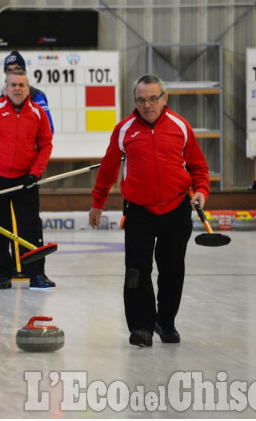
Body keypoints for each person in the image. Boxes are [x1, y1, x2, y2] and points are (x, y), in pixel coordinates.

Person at [88, 74, 210, 347]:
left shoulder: (181, 126)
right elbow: (108, 169)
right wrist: (98, 202)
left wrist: (201, 191)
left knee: (172, 270)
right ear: (135, 101)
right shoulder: (124, 130)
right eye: (141, 100)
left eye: (153, 98)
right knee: (136, 270)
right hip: (139, 211)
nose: (147, 105)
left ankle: (165, 322)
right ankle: (140, 327)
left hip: (176, 209)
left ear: (164, 98)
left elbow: (198, 168)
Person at [0, 70, 54, 290]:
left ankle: (36, 275)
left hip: (26, 180)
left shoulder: (38, 113)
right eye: (13, 85)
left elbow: (46, 146)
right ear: (6, 88)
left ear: (28, 88)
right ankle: (3, 274)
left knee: (29, 229)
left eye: (22, 85)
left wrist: (35, 173)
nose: (17, 89)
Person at [3, 51, 54, 133]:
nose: (12, 73)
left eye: (16, 69)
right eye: (8, 70)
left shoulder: (36, 96)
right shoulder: (2, 98)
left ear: (24, 71)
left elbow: (48, 129)